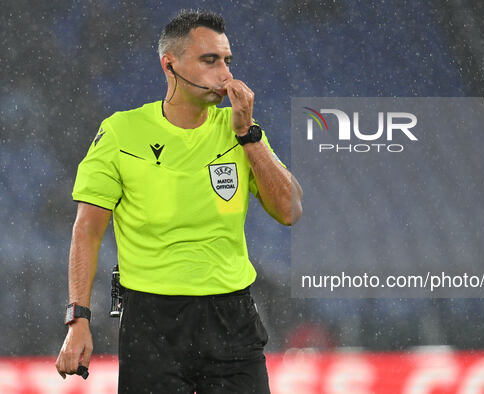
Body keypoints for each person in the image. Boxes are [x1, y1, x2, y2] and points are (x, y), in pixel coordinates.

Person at [55, 10, 303, 393]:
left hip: (231, 319)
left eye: (227, 61)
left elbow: (290, 211)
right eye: (210, 60)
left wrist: (248, 135)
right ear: (169, 64)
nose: (225, 74)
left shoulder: (239, 129)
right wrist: (78, 320)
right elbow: (87, 231)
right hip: (152, 324)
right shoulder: (122, 132)